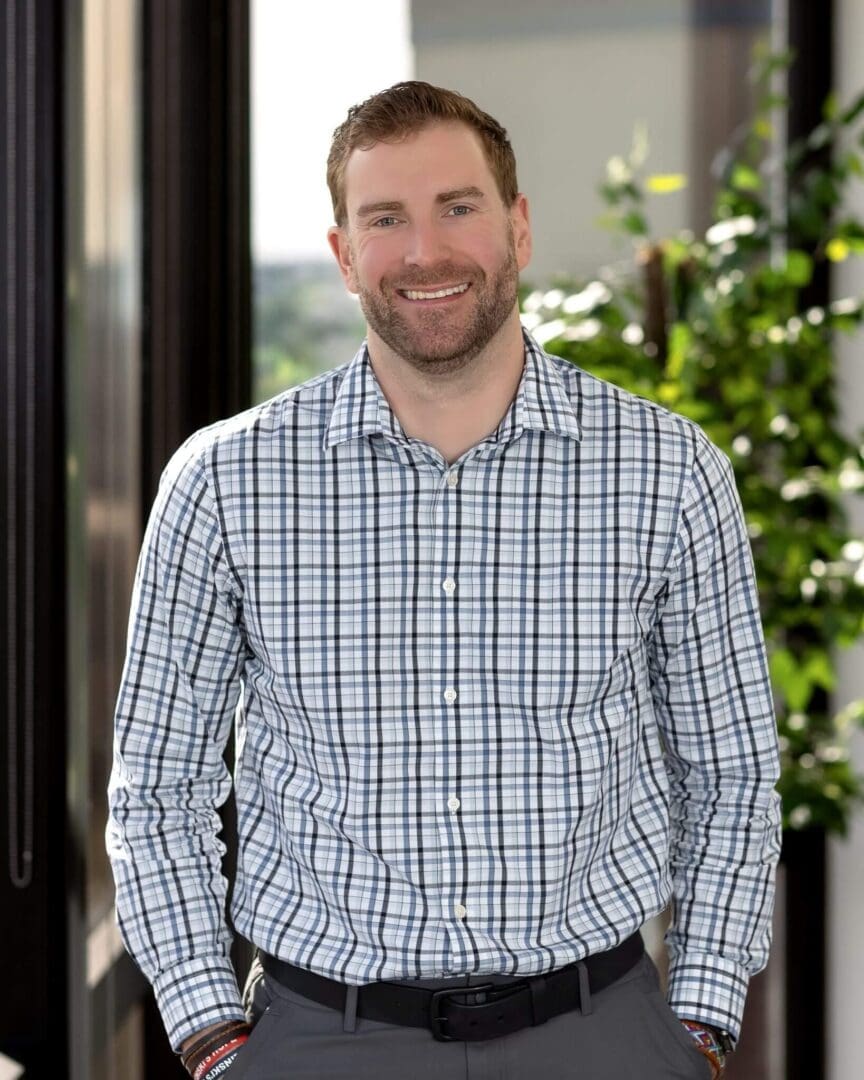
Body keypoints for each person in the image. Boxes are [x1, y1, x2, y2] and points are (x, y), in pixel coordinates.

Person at [107, 81, 781, 1080]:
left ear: (518, 227)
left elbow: (730, 775)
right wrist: (210, 1034)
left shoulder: (671, 473)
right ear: (344, 254)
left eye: (457, 207)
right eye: (386, 218)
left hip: (601, 1035)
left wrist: (703, 1024)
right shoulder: (222, 483)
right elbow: (158, 790)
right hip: (320, 1041)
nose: (425, 251)